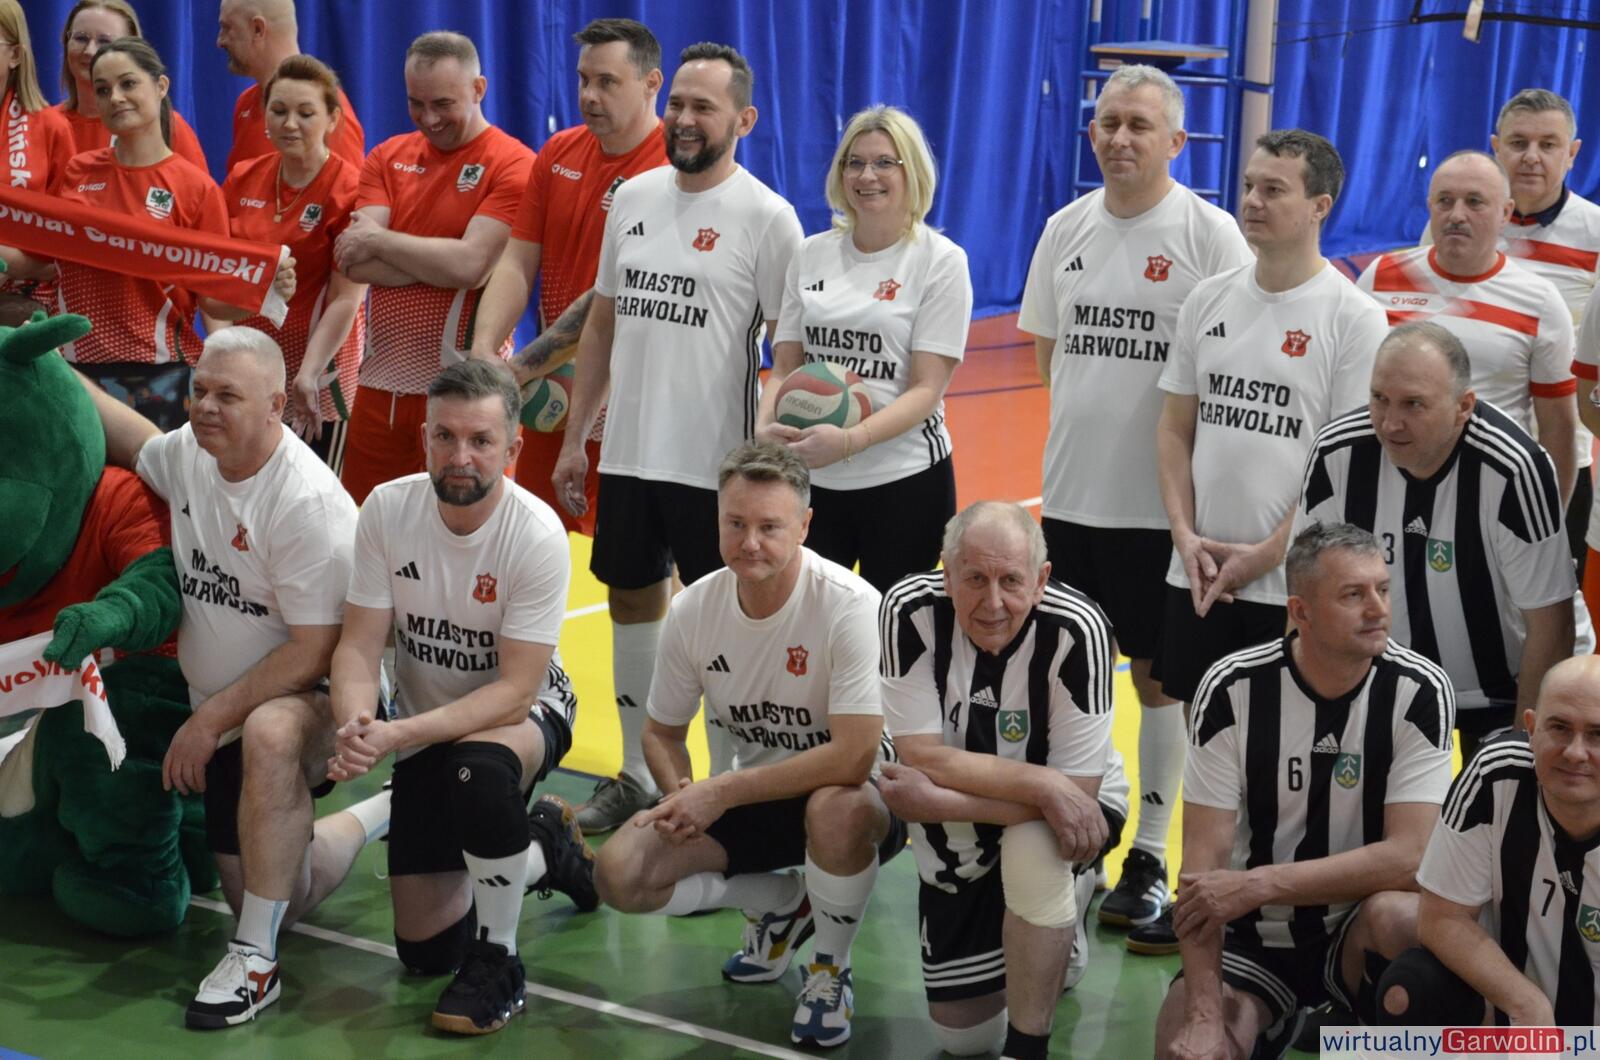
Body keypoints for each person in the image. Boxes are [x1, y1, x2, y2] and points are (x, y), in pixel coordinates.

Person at [78, 326, 387, 1029]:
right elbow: (133, 436)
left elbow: (316, 651)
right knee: (282, 898)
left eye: (229, 395)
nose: (206, 407)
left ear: (277, 405)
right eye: (199, 391)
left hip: (312, 703)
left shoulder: (307, 505)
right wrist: (45, 360)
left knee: (270, 732)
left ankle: (254, 962)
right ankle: (384, 812)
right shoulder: (194, 452)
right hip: (223, 716)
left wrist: (209, 719)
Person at [1017, 62, 1254, 931]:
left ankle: (1150, 854)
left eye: (1139, 125)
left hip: (1161, 513)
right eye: (1109, 123)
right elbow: (1049, 354)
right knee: (1071, 679)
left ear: (1177, 141)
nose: (1120, 138)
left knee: (1158, 683)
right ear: (1092, 133)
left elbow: (1231, 363)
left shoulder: (1210, 235)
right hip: (1071, 500)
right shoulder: (1064, 229)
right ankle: (1081, 835)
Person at [1144, 130, 1389, 952]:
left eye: (1273, 189)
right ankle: (1197, 901)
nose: (1251, 200)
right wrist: (1185, 534)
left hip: (1290, 585)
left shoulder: (1354, 317)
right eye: (1248, 184)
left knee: (1286, 758)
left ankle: (1285, 916)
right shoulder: (1209, 299)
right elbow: (1175, 427)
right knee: (1206, 743)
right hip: (1198, 570)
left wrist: (1265, 556)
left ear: (1320, 205)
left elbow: (1339, 462)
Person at [552, 42, 803, 831]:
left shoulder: (768, 218)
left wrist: (769, 455)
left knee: (729, 616)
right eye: (679, 105)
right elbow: (603, 320)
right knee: (630, 597)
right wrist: (577, 435)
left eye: (704, 107)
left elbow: (790, 353)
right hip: (630, 453)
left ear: (743, 120)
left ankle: (728, 788)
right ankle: (635, 774)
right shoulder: (632, 197)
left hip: (717, 465)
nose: (685, 119)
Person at [593, 441, 901, 1049]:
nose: (749, 542)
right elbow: (661, 732)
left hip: (859, 800)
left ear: (805, 526)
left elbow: (854, 757)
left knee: (834, 808)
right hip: (755, 796)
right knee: (619, 873)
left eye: (769, 527)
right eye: (735, 524)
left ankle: (830, 969)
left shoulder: (851, 606)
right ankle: (784, 903)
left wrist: (721, 792)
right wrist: (683, 796)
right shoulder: (694, 608)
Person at [325, 358, 592, 1037]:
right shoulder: (388, 509)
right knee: (425, 951)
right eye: (445, 436)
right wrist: (357, 721)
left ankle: (499, 958)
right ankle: (546, 847)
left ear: (513, 447)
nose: (460, 456)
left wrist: (397, 735)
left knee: (479, 767)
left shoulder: (535, 533)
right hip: (426, 724)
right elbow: (358, 646)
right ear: (425, 438)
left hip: (526, 713)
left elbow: (514, 693)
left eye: (480, 440)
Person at [1153, 522, 1455, 1060]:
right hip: (1255, 940)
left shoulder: (1419, 690)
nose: (1378, 609)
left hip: (1357, 929)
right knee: (1187, 1046)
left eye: (1383, 590)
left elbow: (1412, 856)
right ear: (1301, 612)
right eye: (1353, 595)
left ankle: (1352, 1024)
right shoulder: (1231, 689)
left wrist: (1260, 884)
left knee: (1407, 925)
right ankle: (1269, 1020)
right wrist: (1204, 1014)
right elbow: (1202, 871)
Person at [875, 501, 1117, 1060]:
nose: (993, 602)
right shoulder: (908, 610)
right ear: (947, 573)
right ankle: (1051, 933)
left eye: (1011, 581)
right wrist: (1044, 787)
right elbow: (923, 756)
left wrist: (941, 803)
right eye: (975, 579)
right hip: (960, 827)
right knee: (963, 1041)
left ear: (1041, 580)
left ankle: (1028, 1047)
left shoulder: (1078, 629)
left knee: (1036, 847)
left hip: (1036, 806)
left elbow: (1077, 797)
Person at [1298, 322, 1580, 761]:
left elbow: (1551, 623)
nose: (1390, 423)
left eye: (1413, 404)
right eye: (1379, 398)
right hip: (1387, 679)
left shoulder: (1514, 468)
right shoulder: (1337, 453)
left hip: (1505, 683)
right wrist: (1312, 712)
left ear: (1463, 406)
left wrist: (1519, 755)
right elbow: (1309, 593)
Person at [755, 104, 972, 593]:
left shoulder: (940, 262)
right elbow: (785, 365)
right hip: (814, 479)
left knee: (892, 626)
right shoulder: (811, 254)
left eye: (883, 163)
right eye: (854, 162)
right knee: (810, 621)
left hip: (904, 479)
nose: (866, 175)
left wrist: (851, 441)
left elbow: (927, 390)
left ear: (912, 172)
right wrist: (764, 428)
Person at [471, 16, 667, 535]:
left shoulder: (671, 169)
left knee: (628, 561)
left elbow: (608, 298)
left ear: (651, 83)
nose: (589, 95)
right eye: (583, 79)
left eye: (607, 82)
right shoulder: (558, 151)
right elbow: (517, 261)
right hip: (550, 395)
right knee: (538, 539)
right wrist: (485, 350)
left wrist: (518, 369)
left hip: (628, 399)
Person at [333, 30, 534, 505]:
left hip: (467, 394)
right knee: (367, 527)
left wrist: (382, 241)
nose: (429, 118)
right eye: (415, 103)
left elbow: (471, 267)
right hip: (378, 388)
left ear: (479, 89)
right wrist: (442, 257)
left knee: (465, 531)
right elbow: (356, 263)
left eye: (443, 103)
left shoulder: (513, 162)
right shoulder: (387, 156)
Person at [54, 38, 295, 418]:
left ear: (161, 86)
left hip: (159, 377)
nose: (115, 97)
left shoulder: (196, 189)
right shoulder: (77, 171)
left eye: (128, 83)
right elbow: (44, 255)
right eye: (102, 90)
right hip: (74, 372)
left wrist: (265, 290)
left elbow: (211, 300)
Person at [1375, 654, 1600, 1028]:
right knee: (1414, 986)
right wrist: (1527, 1005)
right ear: (1531, 729)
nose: (1575, 752)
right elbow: (1441, 918)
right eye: (1560, 728)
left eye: (1597, 734)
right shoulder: (1496, 773)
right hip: (1515, 1024)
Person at [1358, 152, 1578, 513]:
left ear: (1505, 213)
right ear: (1430, 206)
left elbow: (1558, 430)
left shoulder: (1540, 301)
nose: (1457, 215)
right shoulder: (1380, 276)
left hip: (1489, 500)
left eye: (1474, 202)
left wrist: (1551, 523)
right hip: (1385, 490)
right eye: (1445, 201)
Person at [211, 54, 365, 468]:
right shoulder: (243, 177)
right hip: (250, 366)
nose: (290, 124)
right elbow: (218, 279)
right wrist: (221, 347)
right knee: (246, 484)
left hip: (317, 373)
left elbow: (346, 299)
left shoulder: (350, 189)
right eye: (278, 111)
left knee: (314, 493)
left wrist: (309, 373)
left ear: (332, 120)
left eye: (305, 113)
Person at [54, 0, 208, 171]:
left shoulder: (167, 125)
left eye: (105, 41)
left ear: (131, 48)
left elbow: (195, 186)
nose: (90, 51)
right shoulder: (47, 125)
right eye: (81, 38)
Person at [215, 0, 364, 174]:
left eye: (227, 28)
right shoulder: (245, 103)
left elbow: (347, 187)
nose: (220, 41)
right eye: (278, 111)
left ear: (258, 29)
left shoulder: (327, 112)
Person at [0, 0, 75, 295]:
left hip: (24, 298)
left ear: (15, 55)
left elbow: (68, 243)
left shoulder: (51, 127)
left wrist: (11, 263)